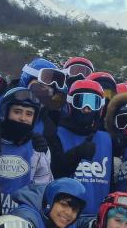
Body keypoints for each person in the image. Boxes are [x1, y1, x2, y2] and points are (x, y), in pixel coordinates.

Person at [48, 78, 114, 215]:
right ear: (71, 103)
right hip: (65, 217)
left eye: (92, 103)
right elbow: (52, 174)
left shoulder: (106, 138)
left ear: (100, 107)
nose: (86, 109)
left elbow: (111, 184)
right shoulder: (57, 134)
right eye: (80, 101)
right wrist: (75, 154)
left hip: (98, 218)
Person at [0, 87, 39, 202]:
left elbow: (41, 189)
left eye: (29, 114)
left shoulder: (37, 148)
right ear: (5, 112)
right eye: (17, 112)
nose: (23, 118)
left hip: (21, 215)